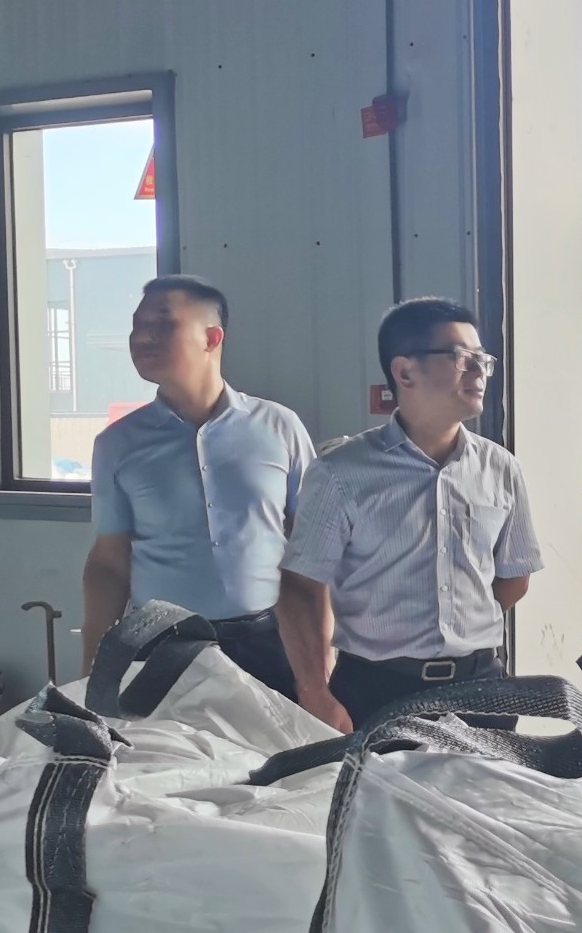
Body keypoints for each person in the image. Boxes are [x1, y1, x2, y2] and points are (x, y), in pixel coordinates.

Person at [277, 298, 542, 732]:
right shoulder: (341, 473)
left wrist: (460, 622)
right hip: (375, 689)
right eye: (462, 358)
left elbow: (515, 577)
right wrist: (314, 691)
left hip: (480, 689)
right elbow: (300, 587)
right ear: (404, 372)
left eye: (483, 360)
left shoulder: (501, 468)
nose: (478, 372)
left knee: (486, 782)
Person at [82, 275, 316, 696]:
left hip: (270, 643)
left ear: (211, 337)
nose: (142, 336)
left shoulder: (279, 427)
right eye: (137, 325)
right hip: (160, 646)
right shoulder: (117, 444)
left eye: (162, 322)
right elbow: (109, 563)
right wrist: (91, 670)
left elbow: (314, 551)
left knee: (274, 740)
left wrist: (320, 661)